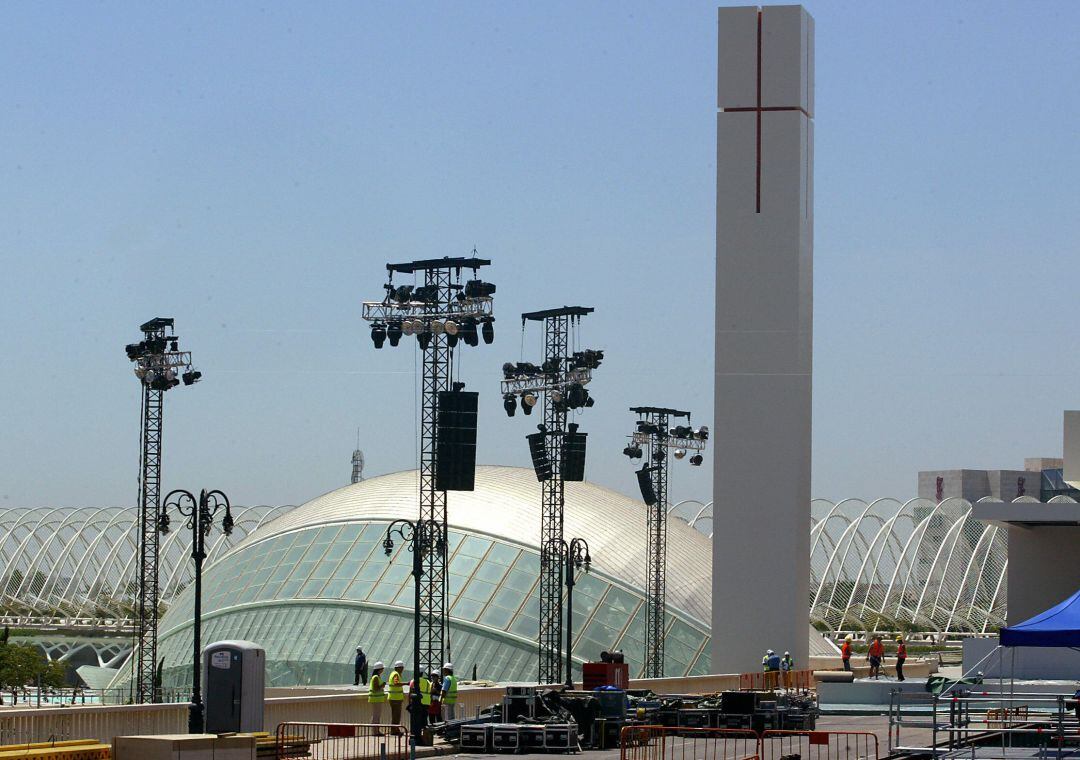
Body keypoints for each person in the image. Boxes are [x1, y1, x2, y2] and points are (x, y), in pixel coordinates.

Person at [368, 662, 386, 731]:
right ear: (379, 669)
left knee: (376, 715)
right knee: (376, 715)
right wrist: (382, 685)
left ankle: (376, 730)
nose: (383, 670)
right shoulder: (375, 677)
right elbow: (376, 688)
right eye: (382, 669)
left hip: (377, 699)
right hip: (376, 699)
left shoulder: (377, 677)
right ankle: (375, 731)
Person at [388, 660, 406, 732]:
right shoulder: (396, 674)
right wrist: (406, 683)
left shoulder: (393, 673)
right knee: (396, 715)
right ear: (398, 668)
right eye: (402, 668)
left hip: (393, 698)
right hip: (396, 698)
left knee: (395, 715)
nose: (402, 669)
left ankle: (394, 729)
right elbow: (396, 683)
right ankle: (394, 730)